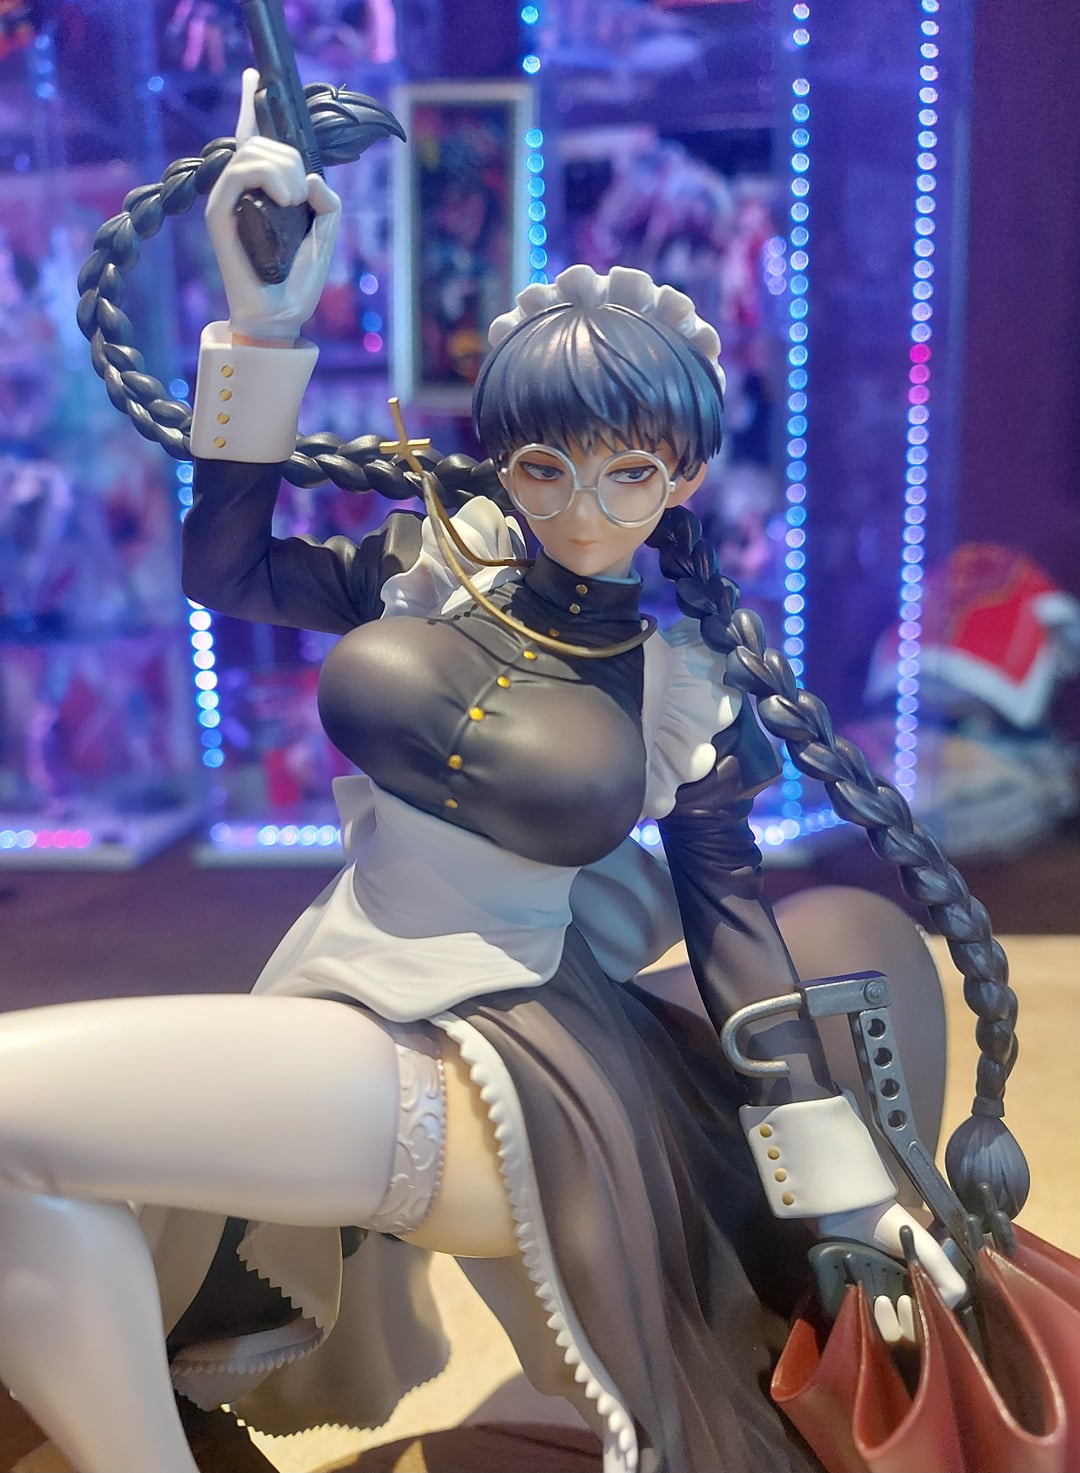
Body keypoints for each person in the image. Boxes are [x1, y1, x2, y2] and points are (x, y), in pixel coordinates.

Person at [0, 76, 963, 1473]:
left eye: (628, 474)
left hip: (493, 1060)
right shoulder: (427, 569)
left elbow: (736, 938)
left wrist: (845, 1189)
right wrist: (265, 328)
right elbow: (228, 570)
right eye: (545, 467)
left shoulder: (680, 686)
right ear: (505, 460)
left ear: (682, 478)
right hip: (339, 994)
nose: (583, 506)